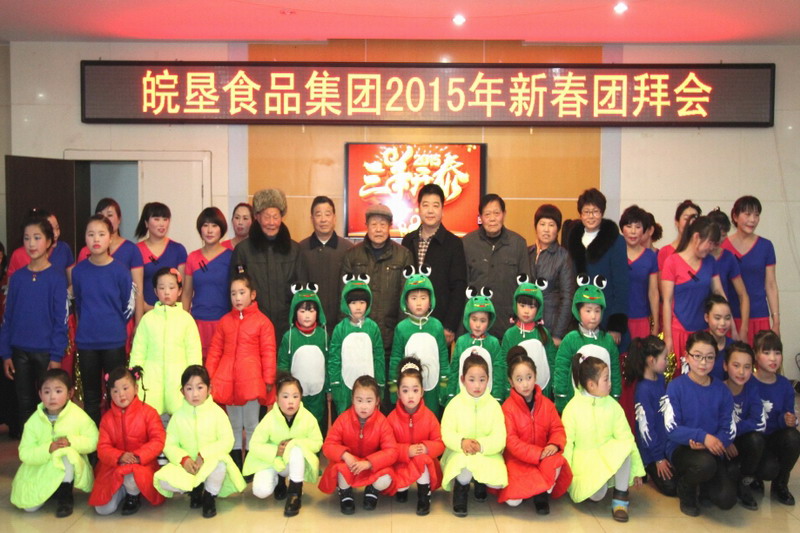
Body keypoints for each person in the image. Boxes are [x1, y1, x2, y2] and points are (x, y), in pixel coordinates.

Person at [1, 215, 69, 431]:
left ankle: (50, 448)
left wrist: (56, 356)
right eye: (27, 238)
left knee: (49, 406)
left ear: (49, 241)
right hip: (19, 352)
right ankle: (28, 448)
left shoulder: (56, 278)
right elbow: (8, 318)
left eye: (37, 238)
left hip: (46, 353)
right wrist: (6, 353)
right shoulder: (17, 278)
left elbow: (61, 321)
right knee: (24, 404)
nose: (31, 243)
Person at [154, 365, 246, 518]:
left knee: (220, 464)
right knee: (163, 480)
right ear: (182, 392)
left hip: (209, 464)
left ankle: (209, 495)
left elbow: (227, 441)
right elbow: (169, 444)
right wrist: (183, 459)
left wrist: (204, 455)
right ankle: (194, 491)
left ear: (209, 389)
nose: (195, 394)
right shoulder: (177, 416)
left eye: (200, 387)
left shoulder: (217, 413)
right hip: (187, 466)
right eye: (189, 388)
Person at [206, 273, 277, 473]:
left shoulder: (263, 322)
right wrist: (208, 377)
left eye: (242, 292)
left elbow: (268, 352)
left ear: (252, 295)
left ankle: (252, 466)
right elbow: (215, 351)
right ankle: (236, 465)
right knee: (234, 425)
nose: (237, 298)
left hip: (252, 381)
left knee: (252, 424)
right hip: (227, 380)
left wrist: (268, 379)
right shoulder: (224, 321)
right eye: (233, 293)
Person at [562, 353, 644, 522]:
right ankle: (600, 484)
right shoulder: (572, 408)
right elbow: (566, 444)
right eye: (606, 380)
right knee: (597, 495)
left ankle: (620, 499)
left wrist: (637, 470)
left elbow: (627, 437)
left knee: (625, 447)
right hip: (584, 462)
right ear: (591, 385)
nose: (610, 383)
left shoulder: (613, 407)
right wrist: (565, 475)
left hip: (607, 455)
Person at [663, 331, 737, 516]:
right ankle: (686, 488)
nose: (703, 362)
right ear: (687, 356)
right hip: (682, 448)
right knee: (704, 465)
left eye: (709, 357)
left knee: (726, 500)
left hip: (712, 449)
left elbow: (728, 428)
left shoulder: (722, 390)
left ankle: (702, 484)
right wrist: (702, 437)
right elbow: (672, 429)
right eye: (697, 356)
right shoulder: (675, 386)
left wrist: (713, 442)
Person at [72, 214, 135, 425]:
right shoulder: (79, 271)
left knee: (117, 394)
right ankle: (94, 441)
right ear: (85, 239)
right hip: (87, 342)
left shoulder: (120, 271)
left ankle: (116, 437)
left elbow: (127, 305)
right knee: (91, 397)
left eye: (101, 234)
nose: (96, 239)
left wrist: (114, 325)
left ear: (110, 238)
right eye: (91, 234)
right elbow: (79, 304)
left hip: (113, 341)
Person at [10, 369, 98, 517]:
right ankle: (51, 490)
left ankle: (65, 496)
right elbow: (24, 452)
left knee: (65, 452)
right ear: (40, 394)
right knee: (30, 508)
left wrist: (71, 442)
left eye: (58, 391)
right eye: (47, 392)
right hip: (41, 467)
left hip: (67, 464)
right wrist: (48, 449)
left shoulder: (78, 416)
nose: (52, 397)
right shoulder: (33, 421)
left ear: (70, 393)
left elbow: (93, 440)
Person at [498, 347, 572, 514]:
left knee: (557, 461)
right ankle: (533, 489)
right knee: (513, 502)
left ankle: (542, 493)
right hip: (518, 460)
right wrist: (537, 454)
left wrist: (554, 444)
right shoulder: (507, 408)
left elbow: (557, 429)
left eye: (529, 377)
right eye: (519, 379)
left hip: (544, 457)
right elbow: (511, 442)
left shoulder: (547, 404)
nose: (525, 384)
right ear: (511, 382)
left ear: (535, 376)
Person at [231, 188, 308, 340]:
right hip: (252, 328)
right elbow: (236, 291)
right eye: (267, 217)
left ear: (282, 217)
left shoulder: (295, 250)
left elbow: (302, 290)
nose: (271, 222)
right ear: (257, 217)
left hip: (288, 327)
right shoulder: (243, 251)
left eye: (275, 217)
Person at [243, 372, 323, 517]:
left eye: (295, 396)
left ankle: (294, 493)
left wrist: (294, 444)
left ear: (301, 397)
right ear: (277, 399)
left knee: (296, 449)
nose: (290, 402)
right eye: (285, 397)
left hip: (294, 463)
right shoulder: (269, 419)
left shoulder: (308, 418)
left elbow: (317, 442)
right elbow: (254, 445)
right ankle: (279, 481)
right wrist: (276, 451)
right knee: (260, 491)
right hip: (273, 461)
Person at [89, 366, 166, 515]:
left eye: (125, 388)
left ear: (136, 388)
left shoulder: (149, 413)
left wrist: (138, 456)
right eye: (115, 391)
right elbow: (103, 448)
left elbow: (158, 440)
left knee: (133, 474)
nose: (121, 394)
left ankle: (133, 495)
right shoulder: (107, 419)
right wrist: (119, 456)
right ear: (110, 393)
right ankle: (124, 489)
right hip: (114, 466)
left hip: (142, 464)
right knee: (103, 509)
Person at [129, 268, 202, 424]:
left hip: (179, 383)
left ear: (180, 291)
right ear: (156, 291)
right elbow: (138, 352)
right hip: (150, 384)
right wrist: (135, 378)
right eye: (162, 288)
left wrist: (194, 379)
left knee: (179, 424)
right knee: (153, 425)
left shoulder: (186, 320)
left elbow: (194, 352)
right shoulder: (148, 319)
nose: (167, 292)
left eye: (171, 287)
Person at [440, 353, 507, 517]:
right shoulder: (454, 404)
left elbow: (500, 437)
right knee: (463, 468)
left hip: (486, 452)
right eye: (472, 380)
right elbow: (446, 432)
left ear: (488, 379)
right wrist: (461, 442)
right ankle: (460, 490)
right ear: (462, 380)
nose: (477, 385)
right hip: (460, 452)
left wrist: (482, 445)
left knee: (497, 481)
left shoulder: (494, 406)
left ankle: (479, 481)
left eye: (482, 380)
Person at [319, 375, 398, 514]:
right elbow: (328, 445)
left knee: (386, 477)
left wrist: (370, 463)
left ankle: (372, 490)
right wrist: (345, 455)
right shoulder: (343, 419)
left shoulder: (382, 422)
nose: (363, 406)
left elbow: (392, 451)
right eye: (359, 400)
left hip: (371, 466)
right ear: (352, 400)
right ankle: (345, 492)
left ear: (377, 401)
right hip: (351, 465)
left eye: (369, 401)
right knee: (340, 469)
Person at [340, 204, 413, 354]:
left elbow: (406, 299)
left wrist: (402, 333)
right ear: (366, 225)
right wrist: (345, 331)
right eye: (374, 224)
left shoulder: (404, 255)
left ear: (390, 226)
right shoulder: (352, 255)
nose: (378, 229)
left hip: (391, 337)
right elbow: (344, 297)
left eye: (383, 224)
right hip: (358, 333)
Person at [401, 184, 467, 345]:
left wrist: (449, 326)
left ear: (442, 210)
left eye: (435, 205)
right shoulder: (408, 240)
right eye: (425, 205)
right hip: (410, 323)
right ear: (419, 208)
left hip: (439, 325)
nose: (430, 211)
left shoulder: (454, 244)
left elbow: (458, 288)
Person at [661, 216, 727, 374]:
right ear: (696, 237)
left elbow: (719, 292)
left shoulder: (710, 262)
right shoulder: (672, 262)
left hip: (704, 331)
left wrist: (727, 320)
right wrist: (668, 337)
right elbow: (667, 301)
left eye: (714, 244)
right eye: (710, 243)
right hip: (679, 329)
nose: (711, 248)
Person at [566, 188, 629, 345]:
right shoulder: (573, 239)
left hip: (606, 315)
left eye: (595, 211)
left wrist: (615, 325)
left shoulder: (616, 241)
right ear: (580, 214)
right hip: (580, 315)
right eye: (586, 212)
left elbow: (621, 284)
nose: (591, 216)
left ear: (602, 213)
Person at [462, 194, 529, 340]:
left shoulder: (518, 244)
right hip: (475, 325)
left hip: (507, 325)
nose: (492, 219)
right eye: (487, 214)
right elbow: (462, 286)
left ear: (504, 214)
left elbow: (525, 288)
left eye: (496, 213)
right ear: (480, 217)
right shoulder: (467, 243)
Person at [553, 276, 622, 412]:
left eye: (597, 311)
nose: (593, 316)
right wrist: (561, 397)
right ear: (578, 311)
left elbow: (614, 369)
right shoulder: (570, 339)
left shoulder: (607, 341)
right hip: (576, 405)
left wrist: (615, 395)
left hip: (603, 405)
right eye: (588, 310)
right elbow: (561, 369)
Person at [385, 356, 444, 515]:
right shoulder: (391, 419)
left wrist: (426, 448)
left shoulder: (429, 417)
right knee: (399, 487)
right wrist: (406, 451)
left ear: (422, 392)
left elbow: (440, 443)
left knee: (422, 459)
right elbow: (387, 448)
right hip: (401, 463)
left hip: (422, 462)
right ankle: (402, 489)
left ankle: (424, 495)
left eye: (415, 390)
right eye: (405, 391)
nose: (410, 396)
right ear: (398, 393)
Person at [74, 198, 145, 326]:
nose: (105, 218)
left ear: (119, 219)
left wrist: (138, 324)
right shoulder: (84, 253)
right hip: (90, 324)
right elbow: (79, 295)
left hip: (119, 323)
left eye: (110, 215)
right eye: (100, 215)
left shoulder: (131, 250)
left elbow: (137, 291)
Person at [388, 266, 449, 416]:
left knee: (431, 417)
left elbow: (443, 356)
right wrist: (394, 386)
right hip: (409, 388)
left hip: (433, 387)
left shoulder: (436, 326)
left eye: (423, 298)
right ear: (406, 301)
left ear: (431, 300)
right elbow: (396, 358)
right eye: (414, 298)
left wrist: (444, 383)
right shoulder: (402, 328)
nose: (419, 303)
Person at [722, 196, 780, 344]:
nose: (752, 220)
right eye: (747, 214)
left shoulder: (766, 246)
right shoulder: (723, 246)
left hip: (758, 314)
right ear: (735, 216)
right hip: (728, 317)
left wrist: (776, 321)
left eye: (756, 215)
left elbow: (771, 284)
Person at [751, 330, 800, 506]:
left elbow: (789, 415)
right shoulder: (747, 382)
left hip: (773, 438)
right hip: (753, 439)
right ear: (756, 355)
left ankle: (781, 483)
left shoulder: (785, 385)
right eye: (766, 352)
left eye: (777, 353)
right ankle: (751, 476)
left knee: (794, 437)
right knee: (766, 466)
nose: (773, 358)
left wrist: (789, 420)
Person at [624, 335, 677, 497]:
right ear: (651, 361)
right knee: (671, 488)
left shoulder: (660, 379)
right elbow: (645, 429)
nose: (667, 362)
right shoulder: (643, 390)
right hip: (652, 452)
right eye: (664, 358)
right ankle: (646, 466)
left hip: (665, 444)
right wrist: (658, 458)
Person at [328, 274, 384, 416]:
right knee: (346, 418)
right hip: (345, 387)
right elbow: (334, 359)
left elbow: (379, 357)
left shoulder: (373, 328)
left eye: (362, 302)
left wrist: (380, 384)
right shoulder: (340, 329)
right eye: (353, 303)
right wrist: (335, 384)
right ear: (346, 304)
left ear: (368, 304)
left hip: (369, 386)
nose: (358, 307)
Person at [182, 207, 233, 361]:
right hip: (197, 323)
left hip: (224, 322)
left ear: (221, 229)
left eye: (214, 225)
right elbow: (186, 294)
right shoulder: (192, 257)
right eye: (205, 225)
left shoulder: (231, 256)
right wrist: (184, 322)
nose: (209, 230)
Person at [723, 342, 767, 510]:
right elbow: (711, 423)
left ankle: (745, 481)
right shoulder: (718, 389)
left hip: (742, 441)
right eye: (736, 365)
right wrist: (726, 440)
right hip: (721, 445)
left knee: (756, 439)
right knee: (725, 495)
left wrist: (732, 433)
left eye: (747, 367)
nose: (741, 372)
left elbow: (759, 422)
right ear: (725, 365)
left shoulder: (752, 389)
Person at [299, 196, 354, 330]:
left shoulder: (348, 249)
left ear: (334, 218)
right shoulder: (301, 249)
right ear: (312, 219)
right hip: (310, 324)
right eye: (318, 215)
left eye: (327, 214)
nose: (323, 219)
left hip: (341, 324)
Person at [277, 284, 328, 428]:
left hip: (318, 392)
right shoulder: (289, 337)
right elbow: (283, 364)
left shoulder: (323, 335)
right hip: (296, 394)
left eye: (311, 311)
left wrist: (329, 388)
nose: (307, 315)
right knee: (297, 424)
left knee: (318, 423)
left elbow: (328, 362)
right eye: (302, 311)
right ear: (295, 312)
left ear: (317, 313)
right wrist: (283, 387)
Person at [499, 276, 556, 400]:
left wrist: (553, 387)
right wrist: (507, 391)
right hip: (516, 393)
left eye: (531, 307)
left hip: (542, 392)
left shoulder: (543, 333)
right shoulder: (510, 334)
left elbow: (552, 362)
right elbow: (504, 364)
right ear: (516, 305)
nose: (526, 311)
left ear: (538, 309)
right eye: (522, 305)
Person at [528, 204, 575, 345]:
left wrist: (558, 334)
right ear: (536, 227)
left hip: (551, 324)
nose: (546, 229)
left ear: (558, 229)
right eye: (542, 224)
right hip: (527, 322)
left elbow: (567, 298)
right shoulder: (527, 252)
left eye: (551, 225)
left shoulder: (563, 256)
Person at [448, 286, 503, 404]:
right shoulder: (461, 341)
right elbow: (454, 369)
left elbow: (498, 371)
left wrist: (498, 396)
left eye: (483, 321)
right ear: (467, 318)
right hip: (462, 399)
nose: (478, 325)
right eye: (474, 319)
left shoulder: (493, 343)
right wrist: (450, 393)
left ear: (489, 321)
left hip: (487, 399)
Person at [134, 202, 187, 313]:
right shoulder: (136, 250)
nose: (162, 224)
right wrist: (148, 309)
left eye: (165, 219)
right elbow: (135, 289)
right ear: (146, 223)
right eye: (156, 219)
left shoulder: (178, 249)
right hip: (146, 313)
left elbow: (183, 287)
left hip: (172, 314)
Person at [707, 208, 750, 341]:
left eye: (723, 235)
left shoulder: (728, 257)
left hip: (722, 319)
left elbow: (743, 295)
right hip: (701, 318)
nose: (719, 239)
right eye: (716, 235)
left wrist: (743, 328)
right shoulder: (700, 256)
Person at [620, 205, 660, 340]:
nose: (633, 232)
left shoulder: (650, 257)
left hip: (642, 320)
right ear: (622, 229)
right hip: (619, 319)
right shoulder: (615, 254)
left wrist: (655, 324)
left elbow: (653, 292)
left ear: (644, 231)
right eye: (629, 226)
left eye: (638, 227)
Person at [8, 208, 74, 277]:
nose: (56, 234)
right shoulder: (18, 255)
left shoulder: (63, 249)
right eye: (51, 229)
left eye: (57, 228)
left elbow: (72, 280)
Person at [657, 199, 701, 271]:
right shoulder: (665, 252)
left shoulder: (702, 251)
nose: (690, 223)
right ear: (676, 222)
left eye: (694, 219)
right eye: (686, 219)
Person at [704, 294, 734, 381]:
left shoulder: (734, 347)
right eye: (717, 318)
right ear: (707, 317)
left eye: (727, 318)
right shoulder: (698, 346)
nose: (723, 323)